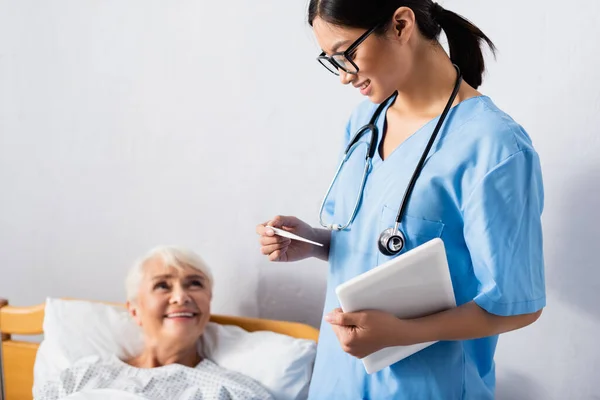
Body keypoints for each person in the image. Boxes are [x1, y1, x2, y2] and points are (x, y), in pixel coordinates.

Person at [256, 1, 546, 399]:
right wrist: (313, 241)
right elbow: (380, 243)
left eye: (348, 54)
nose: (343, 76)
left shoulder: (494, 147)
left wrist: (405, 333)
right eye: (331, 60)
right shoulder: (365, 123)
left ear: (400, 24)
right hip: (336, 380)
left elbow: (518, 304)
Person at [34, 246, 273, 400]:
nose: (181, 296)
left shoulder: (232, 392)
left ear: (208, 302)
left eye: (195, 283)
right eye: (162, 285)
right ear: (134, 310)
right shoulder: (82, 375)